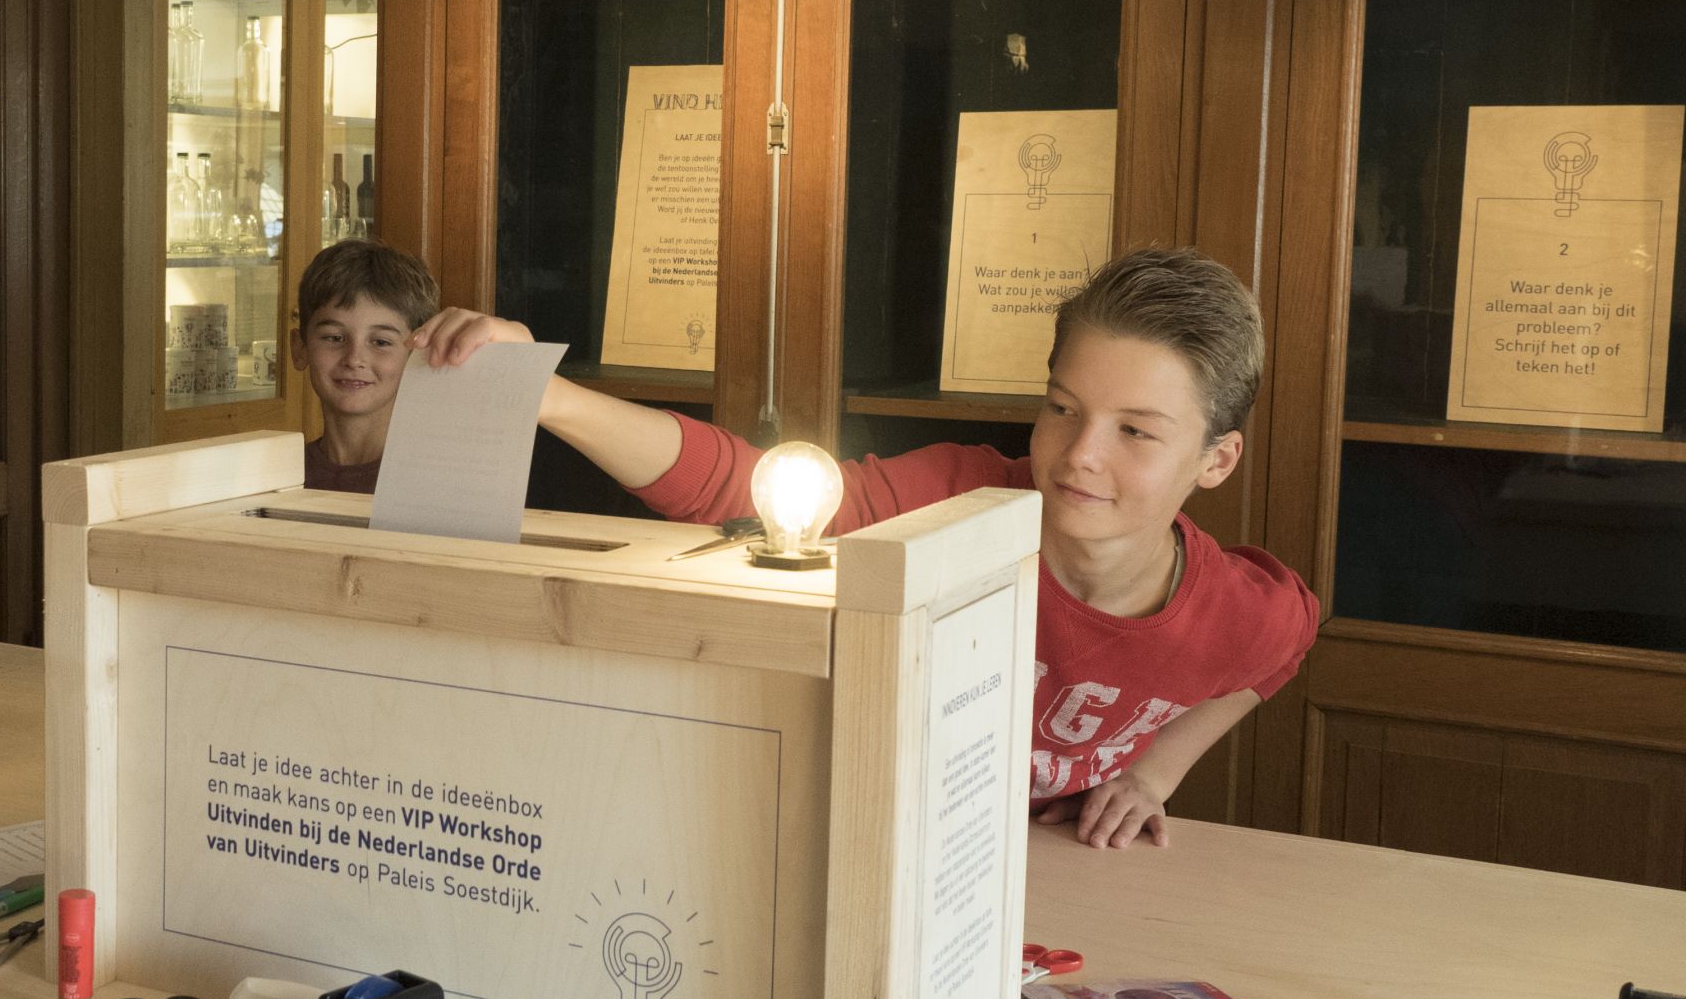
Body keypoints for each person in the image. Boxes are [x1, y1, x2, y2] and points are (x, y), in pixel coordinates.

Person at [413, 246, 1318, 850]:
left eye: (1136, 431)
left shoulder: (1238, 611)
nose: (1080, 453)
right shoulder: (959, 496)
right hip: (885, 849)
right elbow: (744, 487)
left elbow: (1281, 650)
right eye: (1062, 407)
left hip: (1060, 875)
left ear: (1216, 460)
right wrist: (550, 395)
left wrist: (1156, 770)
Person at [290, 239, 441, 492]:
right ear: (299, 348)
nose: (354, 359)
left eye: (381, 342)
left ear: (418, 354)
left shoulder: (440, 478)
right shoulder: (275, 477)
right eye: (334, 338)